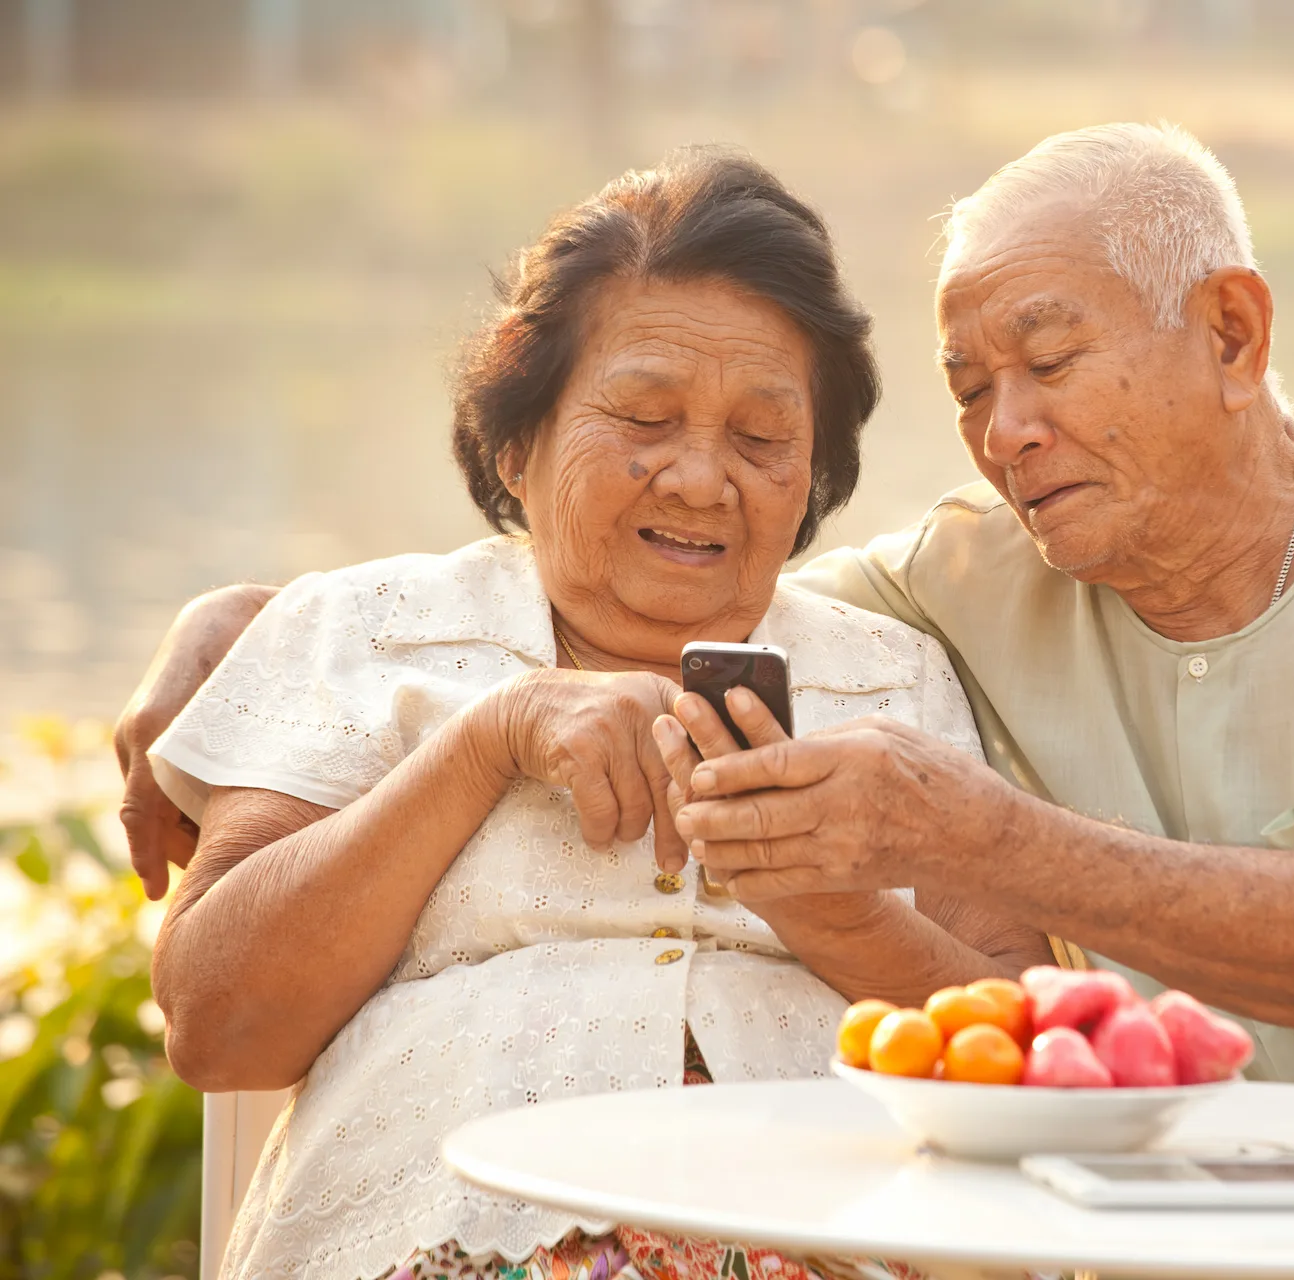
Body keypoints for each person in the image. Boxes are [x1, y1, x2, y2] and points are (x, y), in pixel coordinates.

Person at [122, 125, 1294, 1280]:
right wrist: (271, 633)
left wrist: (916, 866)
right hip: (1141, 1223)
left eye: (1047, 361)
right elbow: (636, 583)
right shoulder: (945, 589)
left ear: (1237, 332)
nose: (1007, 427)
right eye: (971, 389)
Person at [140, 149, 1050, 1280]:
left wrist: (831, 909)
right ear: (516, 445)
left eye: (764, 439)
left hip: (829, 1241)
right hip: (446, 1238)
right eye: (643, 416)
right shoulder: (362, 629)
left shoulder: (894, 676)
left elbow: (1024, 1060)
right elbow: (217, 1026)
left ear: (812, 478)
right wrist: (488, 741)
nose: (701, 478)